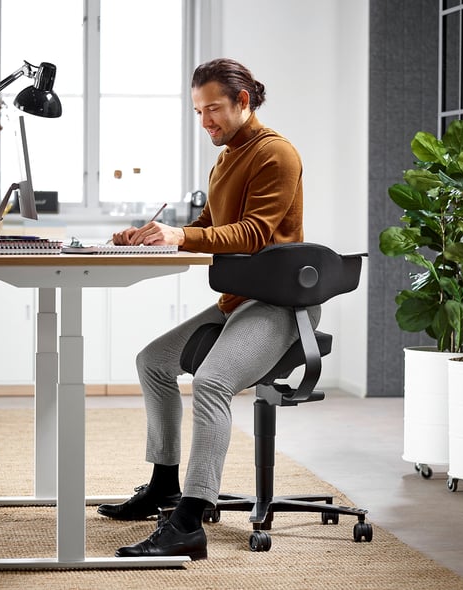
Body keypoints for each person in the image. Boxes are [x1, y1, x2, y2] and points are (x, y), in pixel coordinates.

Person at [97, 58, 321, 560]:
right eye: (198, 112)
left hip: (280, 305)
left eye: (213, 110)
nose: (206, 123)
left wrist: (183, 234)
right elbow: (208, 223)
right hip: (238, 300)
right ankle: (164, 485)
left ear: (243, 102)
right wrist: (152, 237)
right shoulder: (226, 156)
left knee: (212, 382)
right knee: (153, 361)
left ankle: (189, 522)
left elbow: (252, 235)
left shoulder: (275, 154)